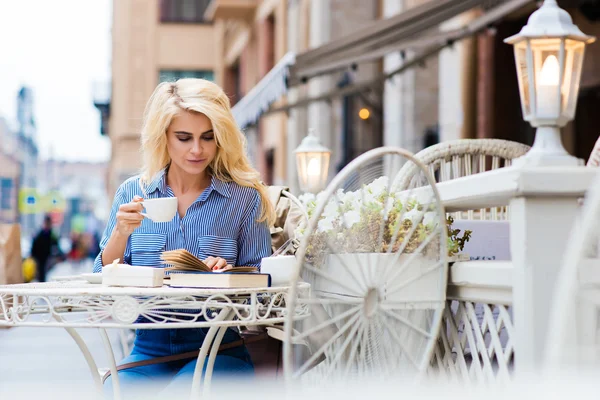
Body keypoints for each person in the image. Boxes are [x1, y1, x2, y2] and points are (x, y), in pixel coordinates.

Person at [93, 78, 274, 397]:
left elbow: (263, 290)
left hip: (220, 348)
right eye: (184, 137)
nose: (197, 149)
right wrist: (121, 233)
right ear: (164, 136)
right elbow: (103, 278)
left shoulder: (244, 199)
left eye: (208, 137)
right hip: (149, 349)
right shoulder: (133, 193)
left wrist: (228, 277)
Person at [30, 214, 63, 282]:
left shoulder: (51, 234)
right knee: (42, 275)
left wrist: (59, 255)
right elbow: (34, 247)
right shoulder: (40, 234)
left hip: (48, 258)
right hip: (40, 259)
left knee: (48, 275)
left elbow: (56, 246)